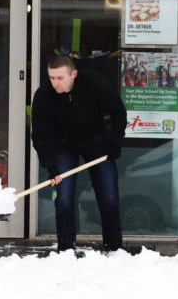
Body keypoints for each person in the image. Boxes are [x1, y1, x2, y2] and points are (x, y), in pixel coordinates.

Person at [31, 54, 126, 253]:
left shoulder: (93, 84)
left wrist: (115, 143)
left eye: (60, 78)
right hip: (63, 144)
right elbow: (40, 135)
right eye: (52, 78)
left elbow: (118, 111)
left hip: (96, 140)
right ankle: (66, 249)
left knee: (109, 197)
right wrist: (51, 166)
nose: (55, 83)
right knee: (64, 199)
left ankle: (114, 249)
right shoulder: (43, 96)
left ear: (73, 74)